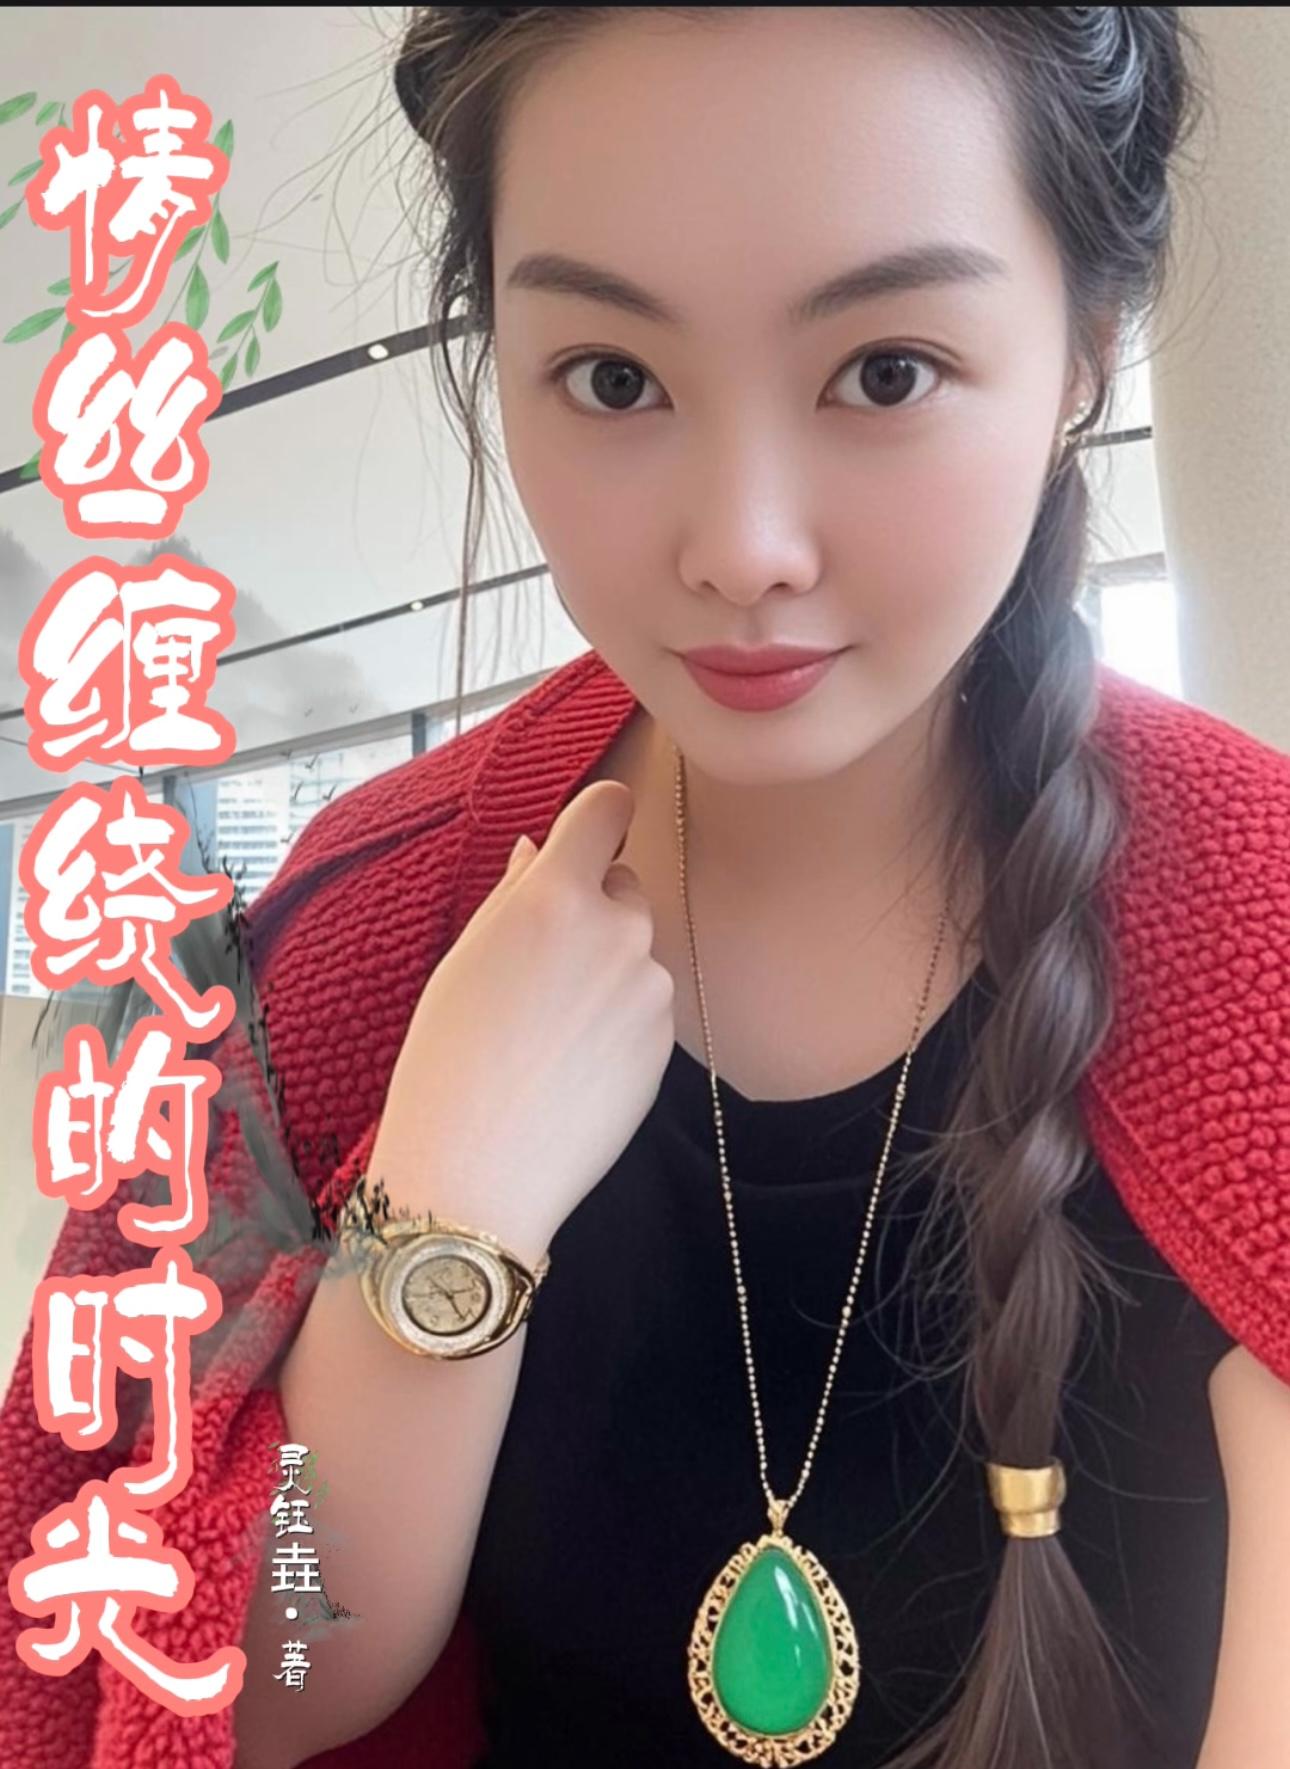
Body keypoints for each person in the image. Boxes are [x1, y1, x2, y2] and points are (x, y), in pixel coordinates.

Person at [2, 9, 1289, 1769]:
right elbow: (255, 1673)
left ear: (1085, 348)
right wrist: (435, 1241)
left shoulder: (1261, 952)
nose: (740, 543)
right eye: (613, 379)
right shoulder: (332, 959)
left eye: (885, 371)